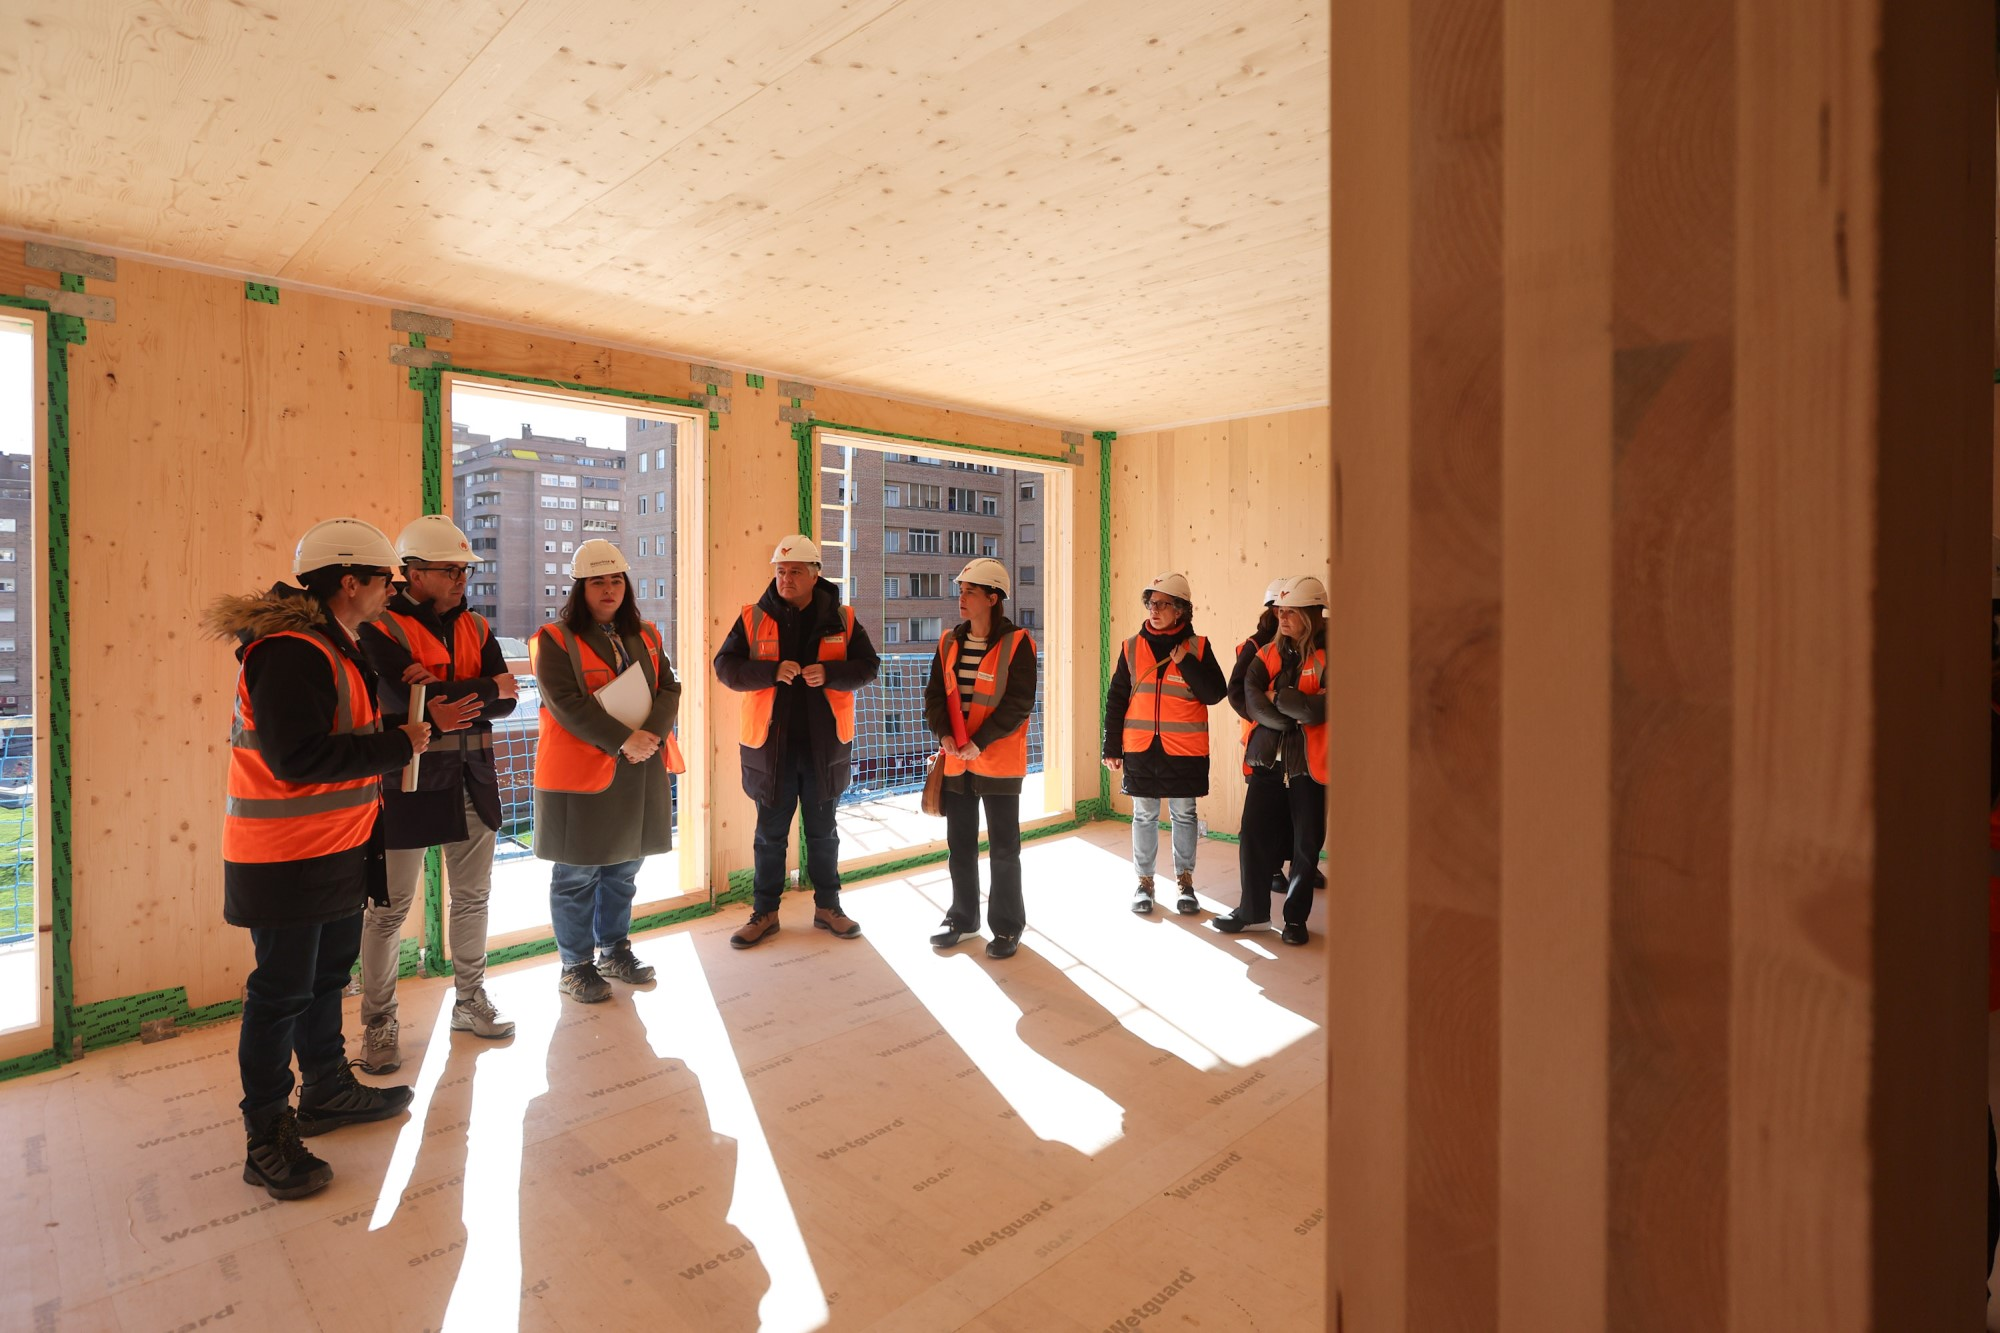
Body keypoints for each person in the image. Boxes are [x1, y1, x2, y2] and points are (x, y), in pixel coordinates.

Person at [205, 518, 429, 1200]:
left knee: (326, 977)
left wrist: (402, 732)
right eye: (387, 580)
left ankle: (326, 1089)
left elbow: (338, 734)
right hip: (285, 859)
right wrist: (401, 746)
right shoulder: (290, 650)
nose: (394, 590)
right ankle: (267, 1136)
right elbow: (297, 759)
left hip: (331, 850)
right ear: (350, 581)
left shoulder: (334, 642)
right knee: (279, 994)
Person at [354, 515, 519, 1074]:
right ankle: (378, 1022)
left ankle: (469, 1001)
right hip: (409, 785)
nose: (461, 578)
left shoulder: (475, 625)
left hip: (473, 778)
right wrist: (479, 691)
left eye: (465, 569)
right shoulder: (380, 628)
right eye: (451, 570)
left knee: (471, 898)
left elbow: (507, 700)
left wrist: (451, 698)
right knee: (389, 909)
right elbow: (404, 695)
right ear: (414, 573)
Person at [532, 539, 684, 1002]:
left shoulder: (648, 634)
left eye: (616, 580)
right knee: (577, 872)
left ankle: (614, 950)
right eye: (598, 581)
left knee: (623, 867)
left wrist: (650, 736)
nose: (609, 589)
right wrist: (624, 739)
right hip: (582, 772)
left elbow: (669, 687)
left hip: (638, 765)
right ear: (580, 588)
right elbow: (566, 704)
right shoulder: (553, 640)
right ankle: (574, 965)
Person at [712, 534, 880, 949]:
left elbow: (869, 666)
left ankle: (828, 908)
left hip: (824, 748)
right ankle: (764, 913)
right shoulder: (752, 618)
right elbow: (726, 668)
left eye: (795, 572)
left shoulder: (843, 618)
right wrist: (770, 671)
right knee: (769, 836)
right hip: (771, 751)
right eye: (780, 572)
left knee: (824, 833)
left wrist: (831, 673)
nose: (786, 579)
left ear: (815, 574)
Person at [924, 558, 1039, 959]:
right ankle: (962, 917)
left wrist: (982, 740)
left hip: (999, 764)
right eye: (961, 590)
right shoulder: (948, 643)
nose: (962, 597)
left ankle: (1007, 927)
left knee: (1005, 849)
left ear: (993, 598)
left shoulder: (1018, 643)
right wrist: (943, 734)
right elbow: (935, 697)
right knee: (960, 845)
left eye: (970, 591)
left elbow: (1020, 702)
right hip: (957, 762)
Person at [1102, 572, 1227, 915]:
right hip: (1142, 747)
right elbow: (1116, 700)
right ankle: (1144, 884)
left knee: (1184, 814)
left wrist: (1184, 662)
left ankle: (1185, 884)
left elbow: (1215, 693)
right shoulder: (1131, 647)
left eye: (1163, 604)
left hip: (1184, 750)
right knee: (1144, 815)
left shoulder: (1198, 648)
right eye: (1151, 603)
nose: (1154, 609)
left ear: (1181, 610)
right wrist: (1111, 747)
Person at [1216, 575, 1328, 945]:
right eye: (1280, 610)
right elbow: (1249, 695)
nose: (1282, 617)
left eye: (1291, 611)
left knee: (1305, 845)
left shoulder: (1335, 652)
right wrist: (1288, 708)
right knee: (1253, 837)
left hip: (1309, 765)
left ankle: (1295, 920)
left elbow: (1326, 705)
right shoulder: (1267, 652)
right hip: (1267, 761)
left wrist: (1291, 702)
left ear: (1311, 614)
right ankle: (1253, 913)